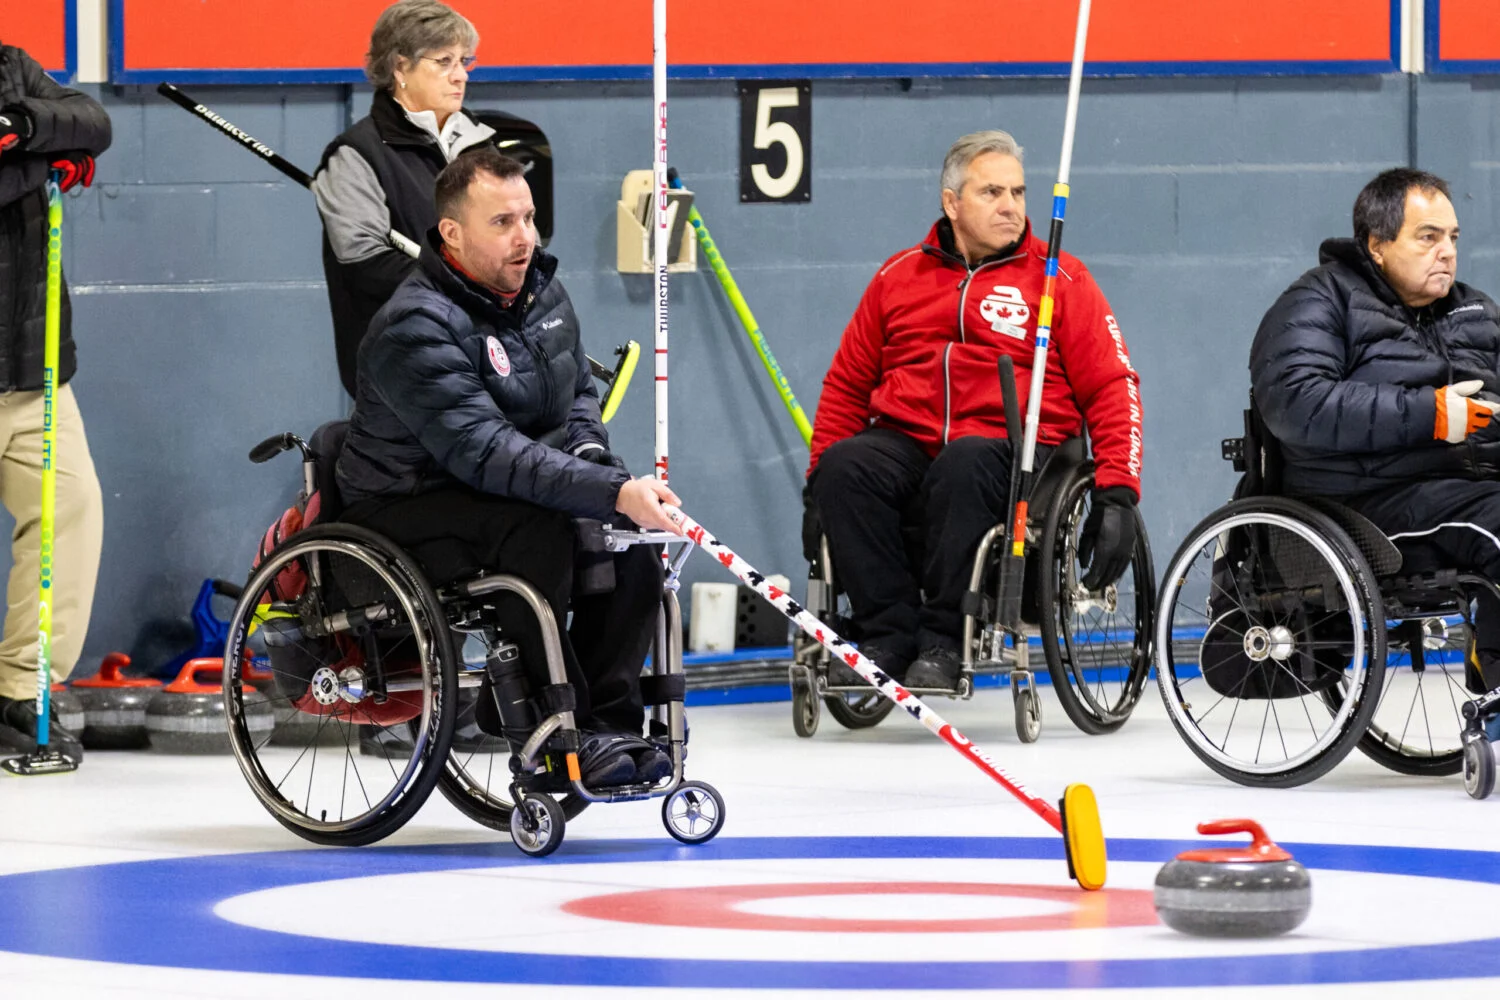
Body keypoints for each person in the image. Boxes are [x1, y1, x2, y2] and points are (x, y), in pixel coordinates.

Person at [336, 147, 681, 787]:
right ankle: (555, 731)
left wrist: (592, 460)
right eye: (502, 223)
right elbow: (485, 452)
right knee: (538, 532)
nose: (525, 238)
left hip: (500, 490)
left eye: (528, 217)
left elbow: (575, 394)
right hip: (406, 504)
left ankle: (608, 727)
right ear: (452, 234)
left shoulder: (543, 292)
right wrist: (608, 490)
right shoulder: (413, 325)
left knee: (629, 543)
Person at [804, 130, 1143, 690]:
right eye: (991, 192)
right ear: (951, 202)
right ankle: (887, 636)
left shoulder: (1063, 279)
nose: (1010, 206)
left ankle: (942, 641)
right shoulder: (897, 276)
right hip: (908, 441)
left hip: (1013, 447)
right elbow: (845, 386)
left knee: (964, 462)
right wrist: (816, 484)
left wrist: (1119, 492)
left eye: (1018, 192)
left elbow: (1113, 385)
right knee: (845, 467)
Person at [1251, 167, 1500, 697]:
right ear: (1378, 245)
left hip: (1467, 491)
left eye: (1452, 238)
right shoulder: (1320, 301)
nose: (1447, 253)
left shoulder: (1475, 310)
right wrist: (1427, 414)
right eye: (1428, 237)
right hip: (1368, 506)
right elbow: (1297, 403)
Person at [313, 0, 549, 398]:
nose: (460, 76)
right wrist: (463, 288)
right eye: (443, 61)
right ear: (400, 68)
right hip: (405, 374)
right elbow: (365, 266)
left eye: (464, 61)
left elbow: (527, 242)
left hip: (493, 366)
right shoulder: (357, 155)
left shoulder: (483, 145)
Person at [0, 43, 111, 762]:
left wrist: (22, 127)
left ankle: (19, 691)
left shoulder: (11, 65)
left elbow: (92, 121)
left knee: (71, 508)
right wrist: (42, 158)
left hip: (30, 370)